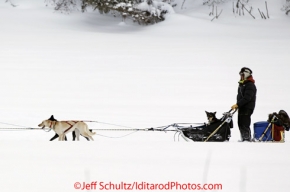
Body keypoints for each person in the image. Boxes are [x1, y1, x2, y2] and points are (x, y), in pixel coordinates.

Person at [231, 67, 257, 142]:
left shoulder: (250, 85)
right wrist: (238, 105)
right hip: (241, 107)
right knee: (240, 123)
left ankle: (246, 139)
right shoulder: (242, 85)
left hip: (247, 107)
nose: (241, 76)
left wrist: (237, 104)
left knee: (244, 124)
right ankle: (244, 138)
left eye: (242, 75)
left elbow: (247, 98)